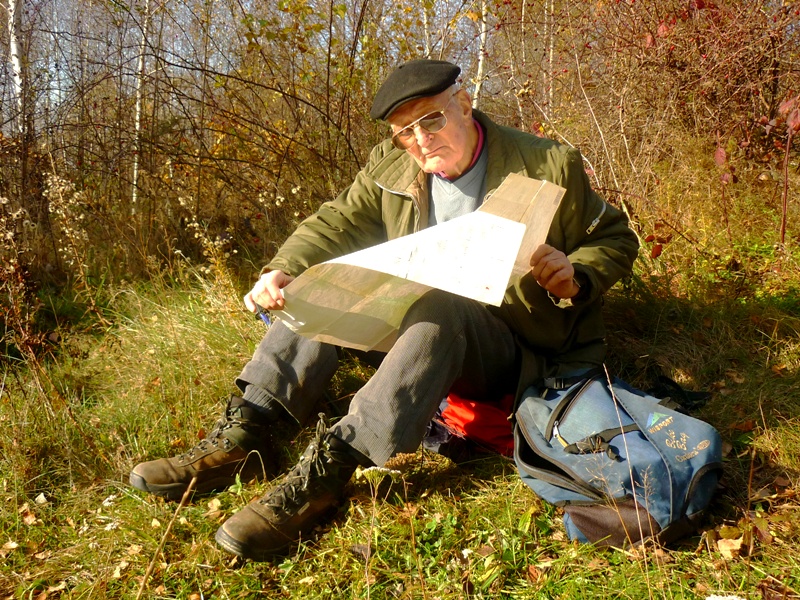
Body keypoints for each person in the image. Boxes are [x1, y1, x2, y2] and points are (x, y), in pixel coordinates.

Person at [129, 59, 639, 561]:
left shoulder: (548, 164)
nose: (421, 141)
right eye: (404, 133)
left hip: (514, 343)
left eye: (431, 121)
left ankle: (330, 471)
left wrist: (575, 274)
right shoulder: (392, 166)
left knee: (443, 304)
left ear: (463, 104)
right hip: (420, 335)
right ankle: (246, 433)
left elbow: (614, 237)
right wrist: (284, 268)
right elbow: (336, 222)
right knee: (318, 285)